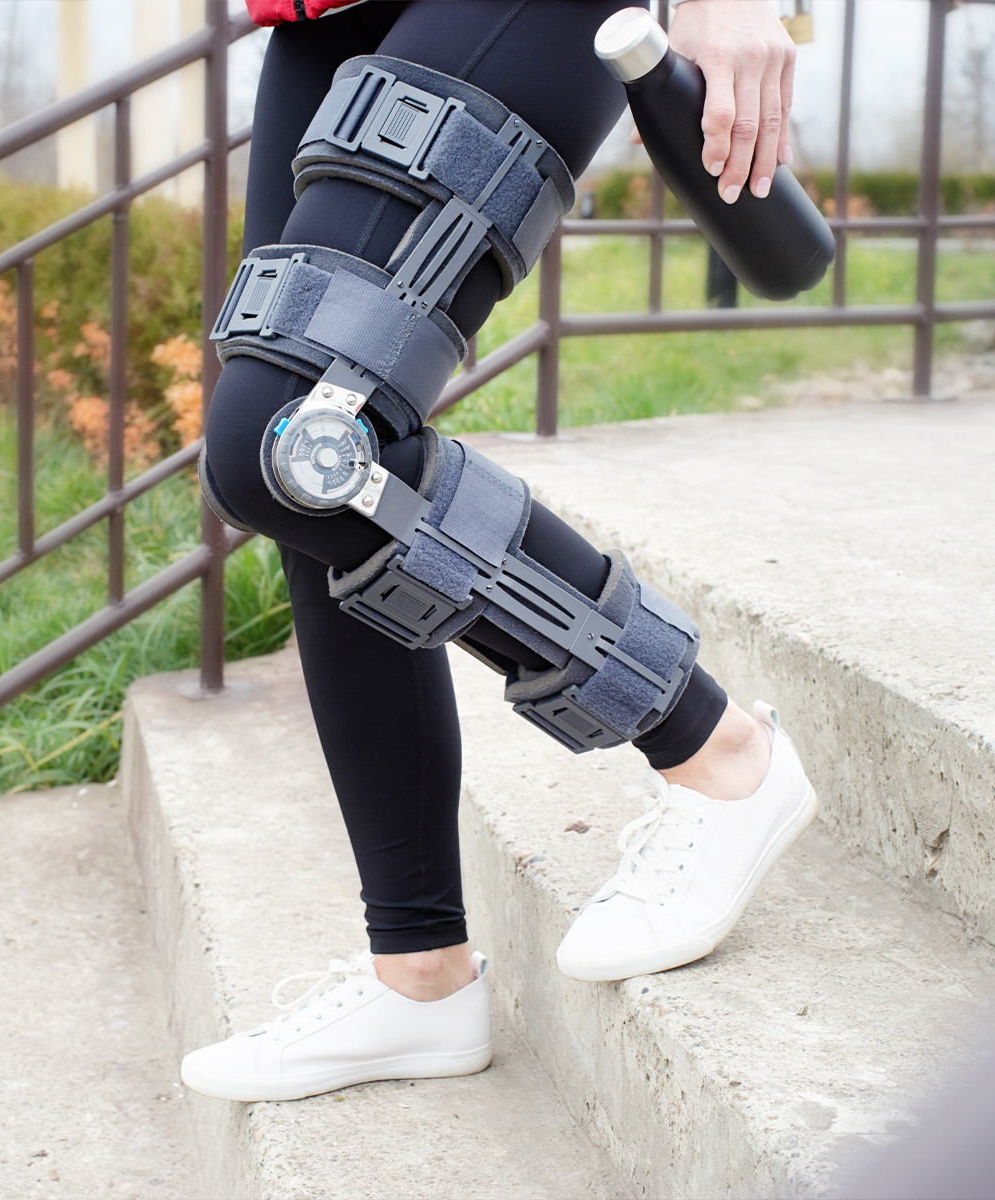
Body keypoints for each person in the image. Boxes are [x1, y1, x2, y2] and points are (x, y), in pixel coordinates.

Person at [182, 0, 812, 1104]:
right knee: (319, 444)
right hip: (319, 16)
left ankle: (720, 756)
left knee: (291, 440)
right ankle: (418, 975)